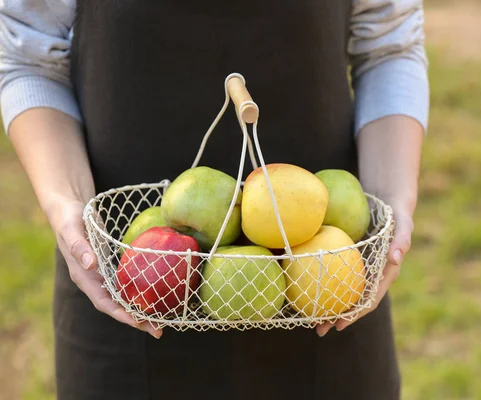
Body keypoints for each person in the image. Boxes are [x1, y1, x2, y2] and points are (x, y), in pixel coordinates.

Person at [0, 1, 429, 399]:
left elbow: (390, 47)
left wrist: (391, 202)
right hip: (125, 285)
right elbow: (27, 57)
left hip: (325, 283)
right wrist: (66, 204)